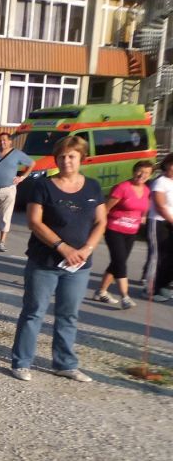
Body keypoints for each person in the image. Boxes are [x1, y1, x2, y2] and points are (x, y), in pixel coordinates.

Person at [10, 136, 106, 382]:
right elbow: (34, 222)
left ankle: (65, 363)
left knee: (68, 314)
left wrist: (87, 249)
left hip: (79, 265)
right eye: (62, 156)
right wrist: (62, 247)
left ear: (81, 158)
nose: (66, 161)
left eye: (72, 156)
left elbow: (101, 221)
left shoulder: (93, 187)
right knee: (34, 312)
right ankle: (22, 362)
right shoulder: (43, 186)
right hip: (44, 262)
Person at [95, 160, 153, 308]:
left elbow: (143, 208)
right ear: (134, 171)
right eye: (140, 171)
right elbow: (105, 209)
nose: (142, 175)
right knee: (120, 262)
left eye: (146, 173)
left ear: (150, 175)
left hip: (131, 232)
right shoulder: (122, 187)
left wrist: (143, 218)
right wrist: (99, 228)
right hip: (114, 229)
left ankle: (101, 292)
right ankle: (125, 297)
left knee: (117, 262)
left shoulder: (146, 190)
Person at [0, 132, 33, 252]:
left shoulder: (17, 154)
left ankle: (2, 242)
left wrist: (22, 177)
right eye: (0, 140)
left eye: (4, 140)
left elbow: (31, 163)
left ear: (10, 141)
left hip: (8, 189)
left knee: (6, 216)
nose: (2, 142)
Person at [145, 153, 173, 301]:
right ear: (166, 165)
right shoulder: (160, 182)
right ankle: (151, 290)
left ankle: (162, 285)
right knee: (157, 257)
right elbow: (160, 206)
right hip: (158, 223)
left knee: (169, 257)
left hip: (170, 223)